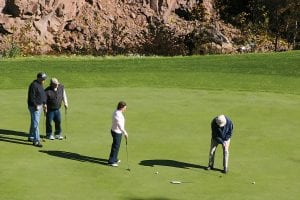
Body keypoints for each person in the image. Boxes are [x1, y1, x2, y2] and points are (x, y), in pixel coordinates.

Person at [27, 72, 47, 147]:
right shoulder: (33, 85)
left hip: (40, 106)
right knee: (36, 124)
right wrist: (36, 106)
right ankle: (36, 140)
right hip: (34, 107)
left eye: (44, 79)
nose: (43, 80)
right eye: (42, 79)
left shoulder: (40, 84)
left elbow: (42, 95)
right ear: (38, 78)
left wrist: (44, 103)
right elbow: (32, 98)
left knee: (34, 122)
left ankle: (31, 137)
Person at [108, 101, 129, 167]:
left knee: (117, 146)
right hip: (116, 132)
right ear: (121, 107)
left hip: (117, 131)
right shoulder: (117, 114)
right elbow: (120, 125)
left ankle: (115, 158)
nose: (125, 109)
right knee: (115, 147)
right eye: (125, 108)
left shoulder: (118, 112)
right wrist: (125, 133)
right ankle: (111, 161)